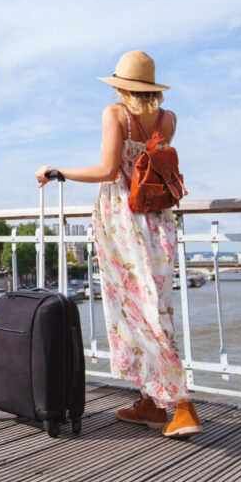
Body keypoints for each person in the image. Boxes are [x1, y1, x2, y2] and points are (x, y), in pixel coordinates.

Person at [34, 49, 201, 438]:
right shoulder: (169, 119)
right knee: (154, 309)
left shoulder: (116, 115)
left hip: (124, 222)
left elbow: (109, 170)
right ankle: (151, 402)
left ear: (121, 85)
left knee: (136, 313)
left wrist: (58, 171)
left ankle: (181, 404)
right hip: (158, 221)